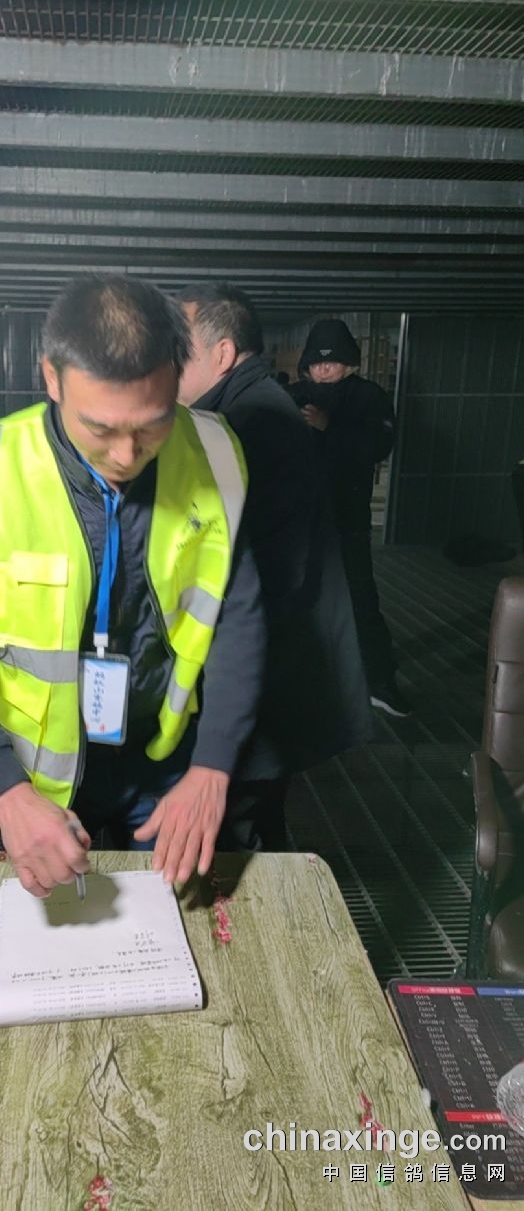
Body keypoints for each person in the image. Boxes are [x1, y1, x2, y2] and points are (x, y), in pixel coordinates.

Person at [0, 276, 265, 898]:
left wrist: (213, 766)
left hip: (165, 765)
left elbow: (238, 619)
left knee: (176, 918)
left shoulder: (215, 456)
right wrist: (4, 793)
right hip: (36, 783)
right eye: (100, 429)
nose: (126, 454)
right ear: (52, 377)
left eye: (152, 425)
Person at [176, 283, 373, 846]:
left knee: (237, 833)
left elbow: (248, 572)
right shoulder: (247, 409)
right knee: (253, 821)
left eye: (178, 350)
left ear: (222, 353)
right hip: (275, 666)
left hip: (267, 668)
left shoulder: (250, 424)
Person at [289, 318, 408, 717]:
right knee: (297, 601)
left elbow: (379, 445)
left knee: (360, 600)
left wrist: (329, 427)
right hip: (297, 522)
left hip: (348, 518)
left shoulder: (369, 397)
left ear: (350, 362)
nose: (324, 368)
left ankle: (379, 682)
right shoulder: (291, 396)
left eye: (334, 360)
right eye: (318, 361)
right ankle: (302, 684)